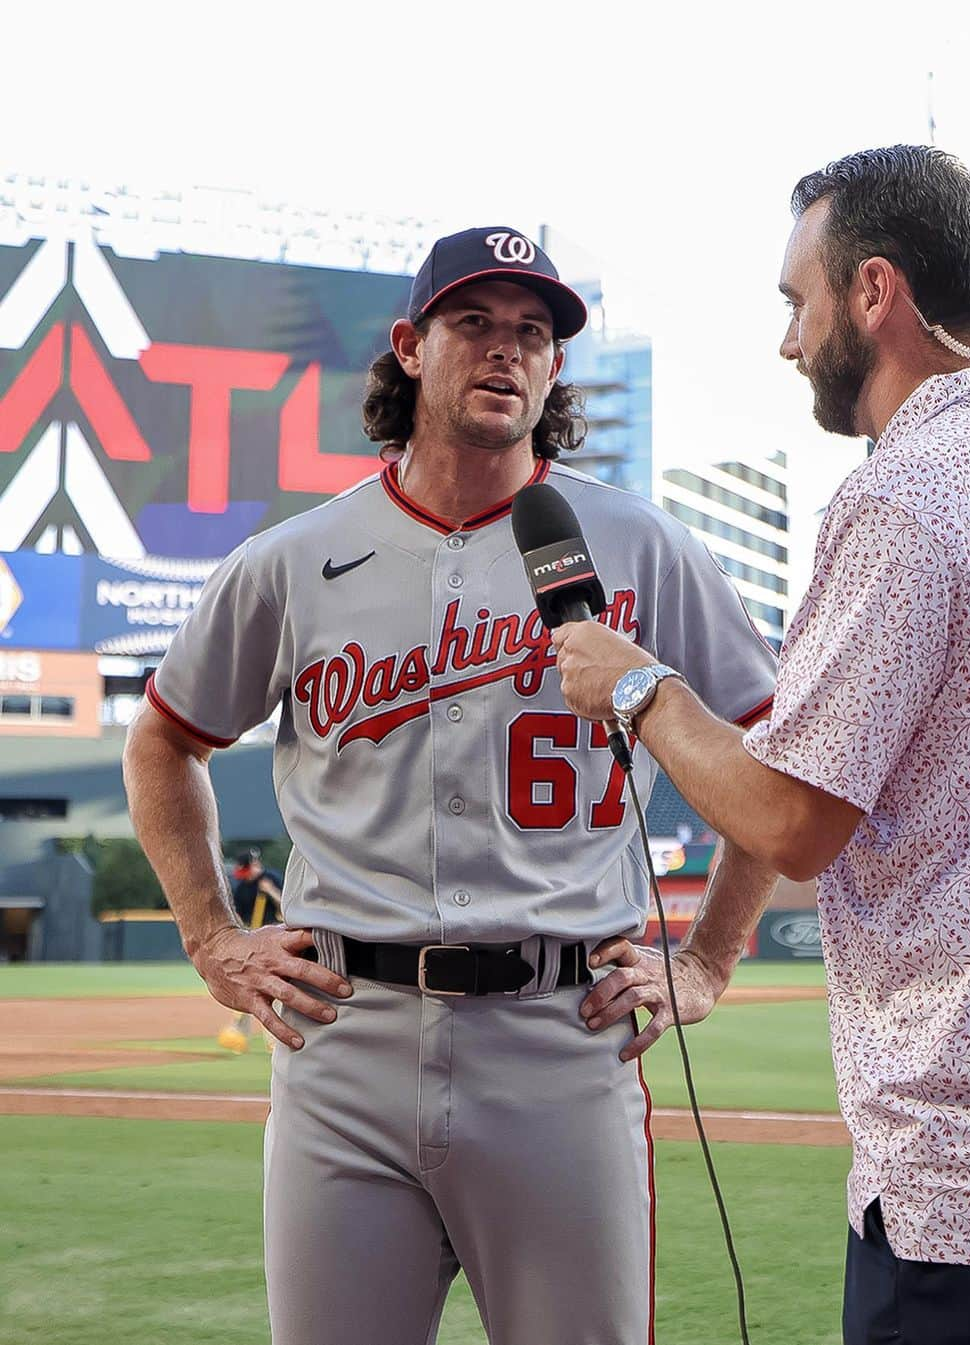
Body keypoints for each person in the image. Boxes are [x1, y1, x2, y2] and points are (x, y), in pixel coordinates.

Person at [122, 225, 779, 1345]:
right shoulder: (295, 558)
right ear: (409, 349)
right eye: (473, 322)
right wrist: (210, 938)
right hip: (345, 1040)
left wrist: (710, 957)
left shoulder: (638, 544)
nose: (506, 351)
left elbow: (775, 757)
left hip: (560, 1040)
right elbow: (163, 740)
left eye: (534, 333)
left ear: (556, 367)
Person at [554, 146, 970, 1344]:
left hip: (968, 1184)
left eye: (799, 301)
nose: (790, 341)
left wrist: (641, 688)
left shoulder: (907, 492)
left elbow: (796, 818)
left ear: (874, 293)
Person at [216, 848, 283, 1053]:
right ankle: (240, 1035)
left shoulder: (271, 878)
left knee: (272, 990)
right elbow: (237, 915)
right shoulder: (243, 888)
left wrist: (270, 891)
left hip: (276, 940)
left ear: (255, 865)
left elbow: (287, 907)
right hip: (253, 940)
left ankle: (275, 1040)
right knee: (248, 987)